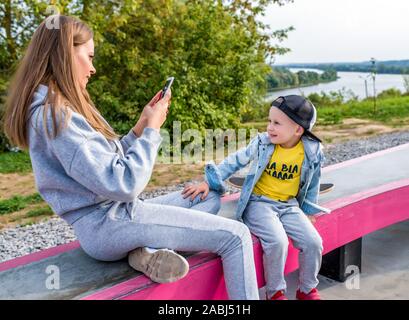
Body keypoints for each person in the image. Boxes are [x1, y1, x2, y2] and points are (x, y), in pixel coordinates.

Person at [1, 15, 259, 300]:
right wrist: (152, 130)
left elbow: (106, 165)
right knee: (237, 236)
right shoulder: (58, 117)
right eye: (89, 56)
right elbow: (124, 183)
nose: (93, 68)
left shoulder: (58, 109)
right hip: (110, 223)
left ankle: (143, 252)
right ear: (64, 54)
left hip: (113, 219)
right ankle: (142, 244)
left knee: (206, 198)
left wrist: (139, 127)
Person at [183, 95, 330, 300]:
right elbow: (234, 161)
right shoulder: (263, 143)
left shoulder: (311, 151)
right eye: (269, 121)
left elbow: (313, 182)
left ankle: (306, 290)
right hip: (259, 203)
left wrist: (308, 211)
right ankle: (275, 292)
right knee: (277, 242)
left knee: (314, 242)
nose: (269, 127)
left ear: (298, 129)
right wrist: (208, 182)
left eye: (277, 123)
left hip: (289, 205)